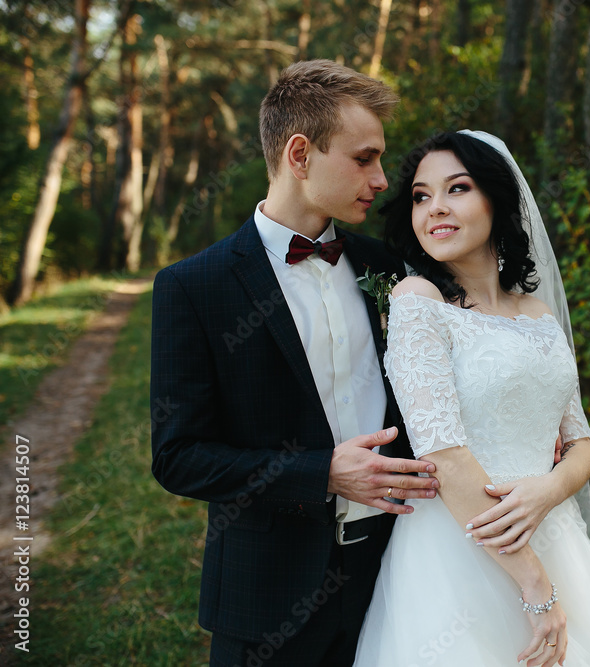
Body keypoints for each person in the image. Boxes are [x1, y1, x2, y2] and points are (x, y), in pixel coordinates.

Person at [149, 60, 444, 666]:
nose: (383, 178)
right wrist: (321, 474)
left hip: (395, 579)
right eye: (364, 159)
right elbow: (178, 457)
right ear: (300, 153)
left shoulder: (386, 269)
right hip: (265, 600)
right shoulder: (194, 286)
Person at [352, 131, 590, 667]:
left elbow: (580, 440)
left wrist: (548, 490)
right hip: (458, 547)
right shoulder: (418, 301)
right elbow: (441, 454)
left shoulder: (537, 313)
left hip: (555, 536)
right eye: (421, 196)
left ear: (498, 199)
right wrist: (536, 587)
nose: (435, 208)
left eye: (457, 189)